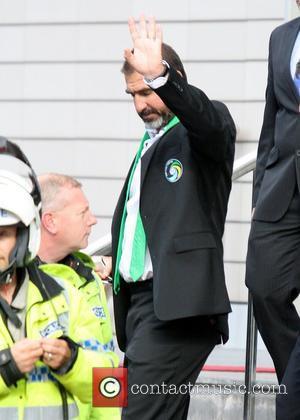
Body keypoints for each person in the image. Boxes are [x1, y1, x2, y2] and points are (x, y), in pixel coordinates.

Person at [107, 16, 236, 419]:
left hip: (179, 310)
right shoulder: (149, 144)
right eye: (133, 95)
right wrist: (119, 265)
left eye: (148, 91)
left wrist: (161, 77)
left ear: (173, 79)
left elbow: (205, 119)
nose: (141, 104)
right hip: (143, 309)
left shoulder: (202, 131)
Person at [0, 140, 115, 419]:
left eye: (2, 235)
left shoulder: (66, 297)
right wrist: (7, 368)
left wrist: (72, 361)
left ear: (23, 236)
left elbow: (110, 388)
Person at [245, 0, 300, 385]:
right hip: (282, 190)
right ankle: (295, 381)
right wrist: (259, 192)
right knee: (263, 288)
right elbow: (271, 118)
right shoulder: (281, 37)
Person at [37, 173, 119, 419]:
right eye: (83, 213)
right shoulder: (19, 284)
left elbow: (106, 365)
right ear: (50, 222)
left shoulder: (90, 278)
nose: (93, 220)